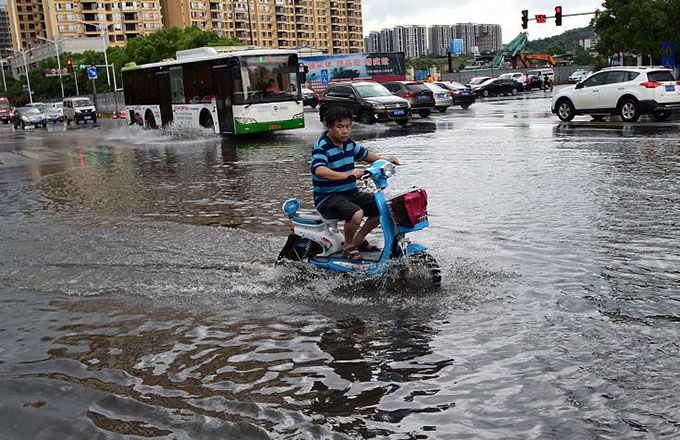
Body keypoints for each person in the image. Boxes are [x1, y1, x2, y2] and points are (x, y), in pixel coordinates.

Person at [311, 107, 400, 260]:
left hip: (350, 194)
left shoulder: (349, 144)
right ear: (329, 126)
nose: (345, 131)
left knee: (384, 206)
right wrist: (348, 175)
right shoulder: (321, 146)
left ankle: (359, 238)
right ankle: (348, 245)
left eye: (348, 126)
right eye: (340, 127)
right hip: (328, 198)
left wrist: (385, 161)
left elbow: (366, 156)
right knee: (356, 214)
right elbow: (319, 170)